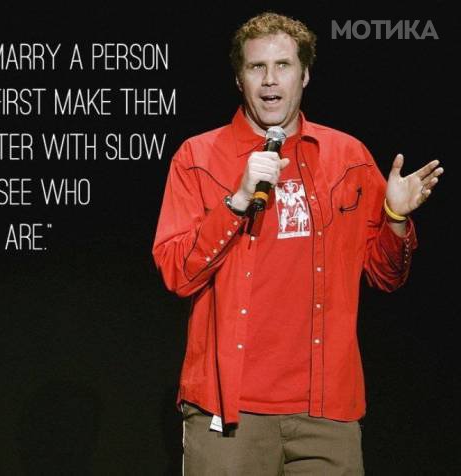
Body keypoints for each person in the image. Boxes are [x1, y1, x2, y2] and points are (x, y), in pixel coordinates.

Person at [152, 12, 443, 475]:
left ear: (304, 75)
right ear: (239, 79)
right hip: (229, 410)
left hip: (326, 411)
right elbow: (175, 273)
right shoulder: (198, 157)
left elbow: (386, 276)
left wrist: (395, 217)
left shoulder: (347, 156)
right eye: (257, 67)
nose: (270, 80)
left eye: (283, 65)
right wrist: (237, 202)